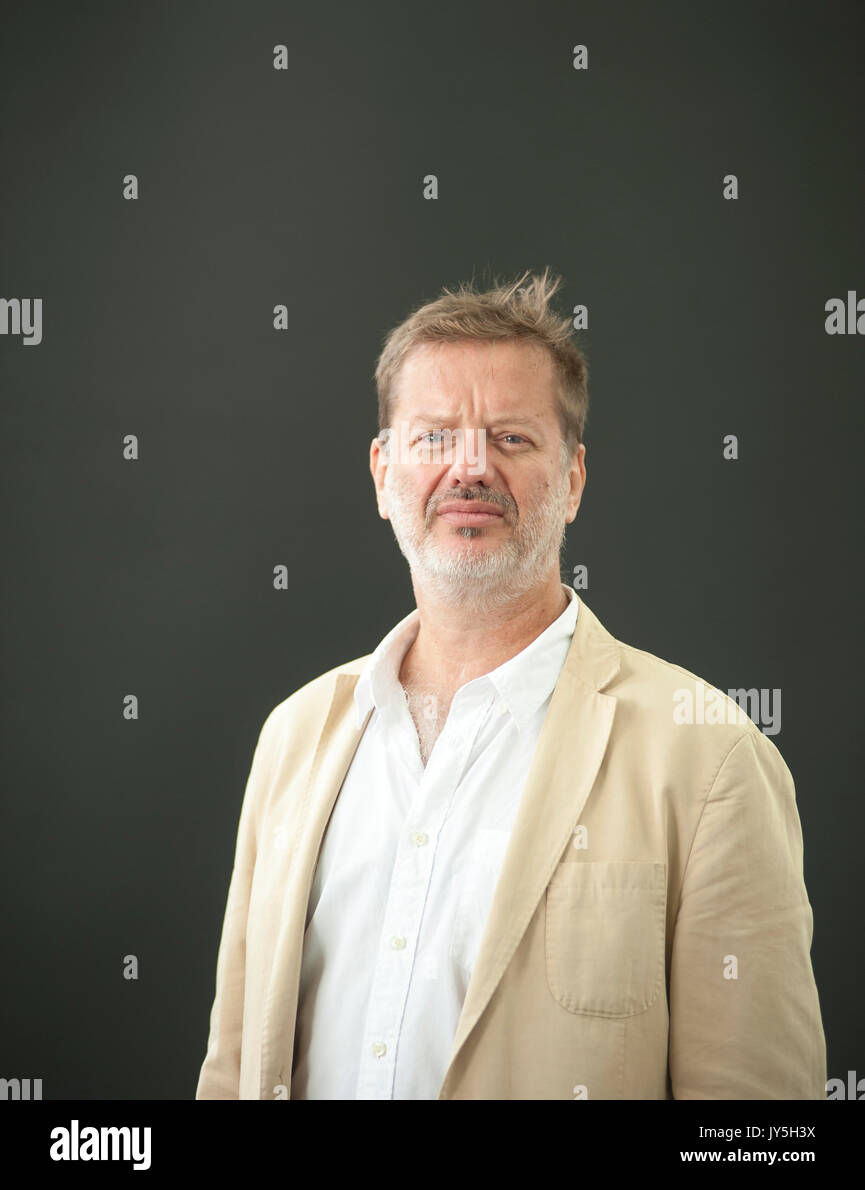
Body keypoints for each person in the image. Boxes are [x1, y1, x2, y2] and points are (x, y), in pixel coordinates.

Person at [196, 268, 826, 1100]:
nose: (469, 468)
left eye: (512, 438)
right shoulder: (293, 737)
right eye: (433, 438)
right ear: (383, 474)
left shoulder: (710, 759)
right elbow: (233, 1071)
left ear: (571, 480)